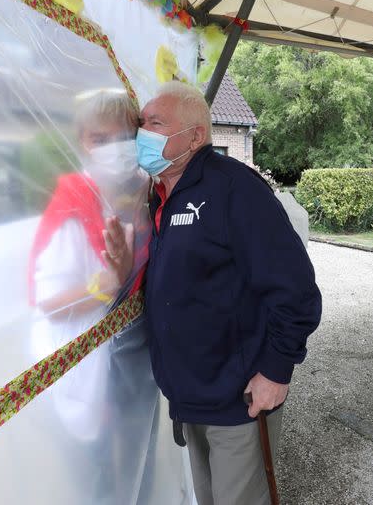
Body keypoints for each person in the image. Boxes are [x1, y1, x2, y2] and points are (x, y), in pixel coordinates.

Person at [138, 81, 322, 505]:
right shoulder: (161, 194)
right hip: (189, 394)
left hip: (238, 398)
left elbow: (295, 289)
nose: (141, 134)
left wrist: (276, 371)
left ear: (196, 135)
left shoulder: (234, 189)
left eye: (155, 123)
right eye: (141, 124)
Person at [27, 88, 164, 504]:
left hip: (138, 357)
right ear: (81, 142)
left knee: (143, 453)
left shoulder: (149, 189)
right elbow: (46, 300)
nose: (111, 149)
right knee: (97, 472)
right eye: (97, 140)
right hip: (85, 364)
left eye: (120, 138)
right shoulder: (73, 197)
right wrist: (101, 286)